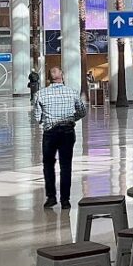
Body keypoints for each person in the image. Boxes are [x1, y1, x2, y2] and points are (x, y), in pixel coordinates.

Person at [33, 66, 87, 209]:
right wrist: (70, 119)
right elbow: (82, 112)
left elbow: (37, 118)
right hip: (67, 132)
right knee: (66, 166)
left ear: (49, 78)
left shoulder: (40, 94)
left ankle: (51, 197)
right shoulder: (72, 93)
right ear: (62, 75)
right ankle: (65, 200)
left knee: (48, 165)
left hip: (50, 133)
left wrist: (48, 119)